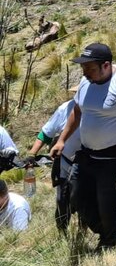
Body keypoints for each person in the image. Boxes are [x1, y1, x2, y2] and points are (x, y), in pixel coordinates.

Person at [50, 43, 116, 249]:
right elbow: (77, 112)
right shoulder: (86, 83)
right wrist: (61, 140)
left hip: (113, 157)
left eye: (90, 68)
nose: (85, 73)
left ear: (106, 65)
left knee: (106, 201)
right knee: (77, 196)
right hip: (86, 155)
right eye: (83, 68)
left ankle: (110, 241)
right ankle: (108, 232)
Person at [25, 88, 80, 231]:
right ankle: (62, 233)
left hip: (90, 162)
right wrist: (32, 153)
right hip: (65, 162)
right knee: (62, 200)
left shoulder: (101, 109)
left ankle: (83, 229)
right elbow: (46, 133)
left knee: (84, 200)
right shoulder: (65, 109)